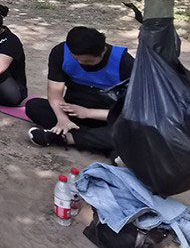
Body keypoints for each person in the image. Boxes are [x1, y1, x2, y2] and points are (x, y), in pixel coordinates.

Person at [25, 27, 134, 155]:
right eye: (76, 58)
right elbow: (55, 93)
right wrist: (62, 119)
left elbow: (133, 111)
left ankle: (67, 138)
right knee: (34, 106)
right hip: (73, 112)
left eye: (88, 61)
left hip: (108, 115)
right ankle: (95, 140)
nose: (81, 63)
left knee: (130, 130)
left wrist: (88, 112)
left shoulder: (125, 63)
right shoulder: (61, 52)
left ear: (103, 51)